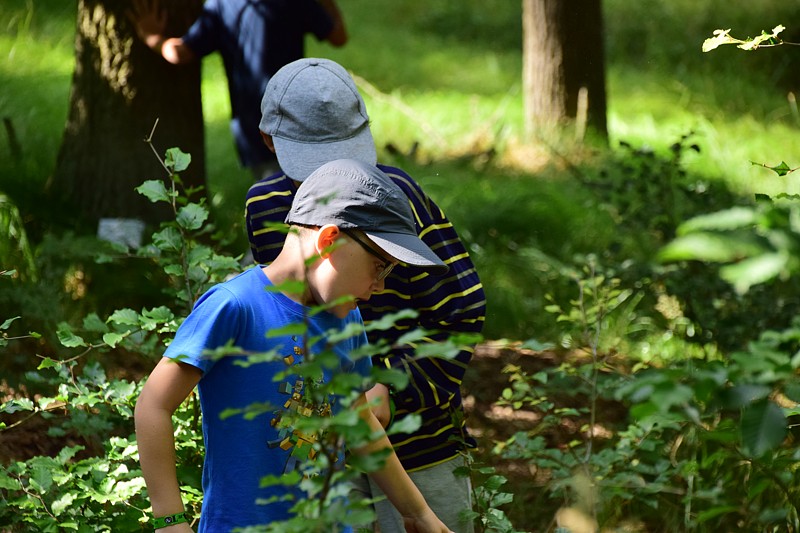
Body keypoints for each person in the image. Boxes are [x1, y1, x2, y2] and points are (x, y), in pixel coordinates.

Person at [135, 158, 454, 532]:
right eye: (379, 266)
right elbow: (153, 404)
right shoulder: (236, 307)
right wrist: (170, 521)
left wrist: (418, 513)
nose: (380, 285)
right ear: (329, 241)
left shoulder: (345, 319)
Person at [245, 58, 486, 533]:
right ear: (270, 141)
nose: (330, 177)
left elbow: (460, 313)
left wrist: (392, 388)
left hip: (420, 449)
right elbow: (281, 312)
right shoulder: (266, 207)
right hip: (323, 452)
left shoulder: (399, 201)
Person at [128, 0, 347, 179]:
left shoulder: (221, 6)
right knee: (316, 194)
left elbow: (180, 53)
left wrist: (151, 36)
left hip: (257, 124)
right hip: (302, 117)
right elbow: (339, 37)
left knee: (276, 201)